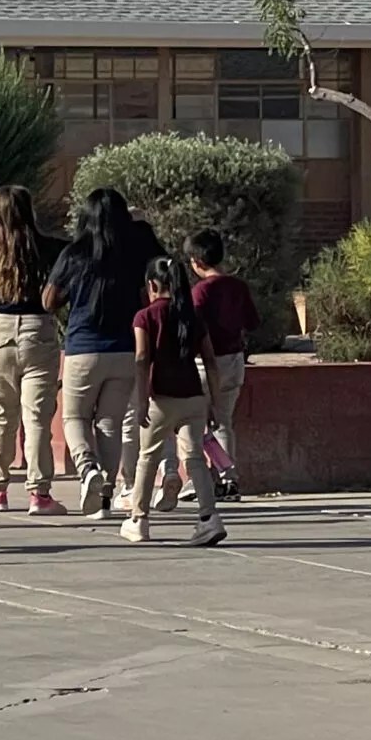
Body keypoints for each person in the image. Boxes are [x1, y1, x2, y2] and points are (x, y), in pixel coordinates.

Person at [45, 188, 157, 517]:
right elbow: (146, 296)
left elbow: (49, 300)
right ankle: (105, 498)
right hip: (125, 349)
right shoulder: (133, 254)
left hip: (83, 347)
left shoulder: (75, 253)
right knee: (109, 423)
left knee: (75, 417)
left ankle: (87, 468)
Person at [0, 184, 65, 516]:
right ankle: (40, 494)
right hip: (39, 329)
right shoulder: (49, 250)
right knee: (37, 418)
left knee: (2, 416)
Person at [122, 255, 227, 546]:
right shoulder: (193, 316)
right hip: (193, 397)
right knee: (194, 457)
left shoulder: (145, 317)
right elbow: (210, 360)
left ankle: (139, 520)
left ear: (152, 285)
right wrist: (214, 401)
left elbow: (142, 358)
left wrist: (141, 399)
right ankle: (209, 518)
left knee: (147, 457)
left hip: (160, 397)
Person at [185, 229, 258, 504]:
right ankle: (229, 479)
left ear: (196, 261)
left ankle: (199, 479)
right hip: (234, 360)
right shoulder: (238, 287)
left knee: (195, 424)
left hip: (205, 363)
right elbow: (252, 321)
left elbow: (191, 327)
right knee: (223, 422)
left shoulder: (200, 292)